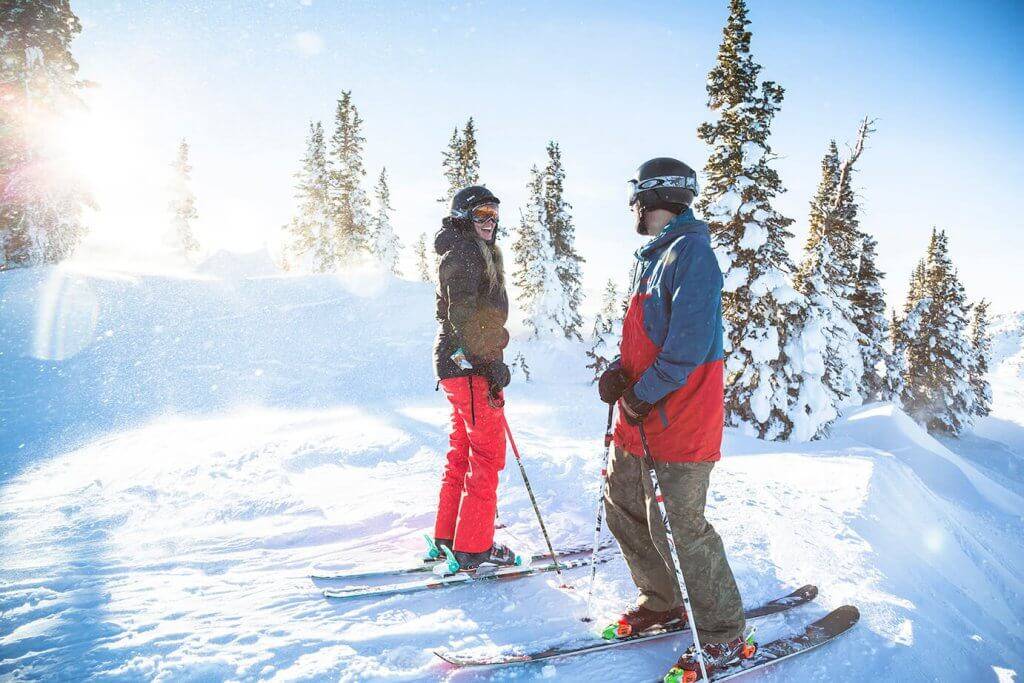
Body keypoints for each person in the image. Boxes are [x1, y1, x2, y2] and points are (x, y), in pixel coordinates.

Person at [597, 158, 749, 677]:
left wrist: (642, 393)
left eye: (636, 195)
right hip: (638, 419)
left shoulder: (693, 254)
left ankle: (724, 632)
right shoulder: (652, 257)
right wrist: (620, 373)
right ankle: (662, 600)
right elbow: (646, 339)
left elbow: (686, 346)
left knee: (680, 528)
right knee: (625, 511)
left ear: (654, 196)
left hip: (678, 421)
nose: (632, 206)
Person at [431, 185, 516, 570]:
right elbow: (462, 316)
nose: (490, 221)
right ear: (465, 217)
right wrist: (486, 361)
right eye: (482, 213)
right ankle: (474, 547)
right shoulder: (465, 253)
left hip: (460, 366)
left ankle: (449, 538)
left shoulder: (464, 251)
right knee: (487, 454)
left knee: (464, 451)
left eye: (494, 214)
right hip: (469, 368)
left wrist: (493, 345)